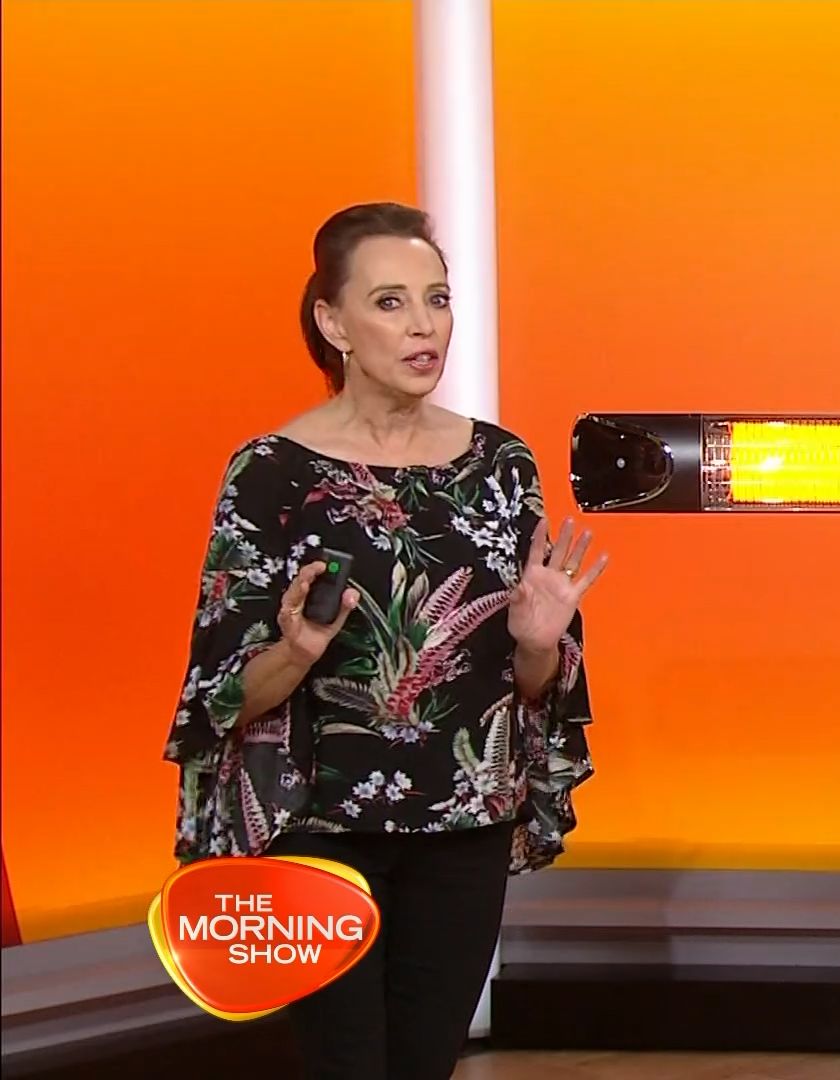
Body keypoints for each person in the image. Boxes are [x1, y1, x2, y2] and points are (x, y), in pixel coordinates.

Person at [164, 202, 608, 1079]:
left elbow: (533, 688)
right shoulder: (271, 472)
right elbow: (222, 699)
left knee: (426, 1063)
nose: (423, 326)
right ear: (333, 324)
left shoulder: (502, 465)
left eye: (437, 300)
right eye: (391, 302)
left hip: (464, 826)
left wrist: (537, 641)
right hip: (318, 831)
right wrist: (298, 649)